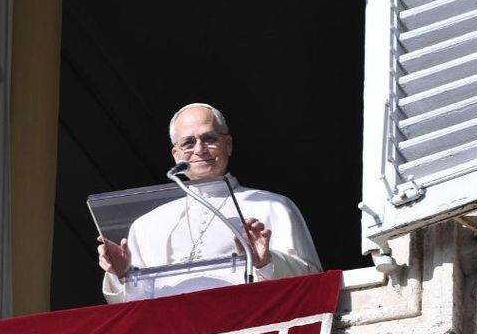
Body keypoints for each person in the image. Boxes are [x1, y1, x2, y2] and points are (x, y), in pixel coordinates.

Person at [97, 103, 321, 303]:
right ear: (176, 155)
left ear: (228, 145)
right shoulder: (147, 224)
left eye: (209, 139)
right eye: (188, 143)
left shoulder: (272, 206)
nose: (199, 149)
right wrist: (121, 276)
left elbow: (313, 283)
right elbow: (132, 307)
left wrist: (267, 262)